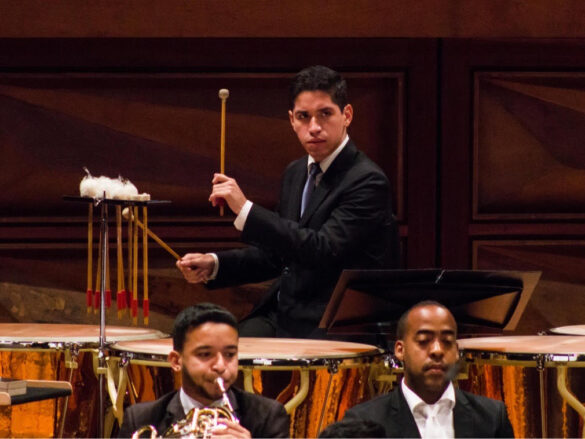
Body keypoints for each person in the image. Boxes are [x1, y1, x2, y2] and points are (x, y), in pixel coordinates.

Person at [177, 65, 399, 338]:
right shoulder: (295, 172)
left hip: (333, 323)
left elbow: (321, 249)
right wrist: (215, 264)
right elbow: (278, 255)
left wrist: (245, 209)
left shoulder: (367, 181)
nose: (314, 127)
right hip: (284, 313)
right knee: (220, 351)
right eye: (304, 117)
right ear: (292, 120)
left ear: (347, 115)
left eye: (325, 114)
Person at [341, 301, 515, 438]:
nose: (437, 350)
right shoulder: (363, 422)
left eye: (447, 342)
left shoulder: (492, 417)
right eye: (424, 340)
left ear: (456, 351)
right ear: (400, 350)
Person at [118, 303, 289, 438]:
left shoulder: (267, 416)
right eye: (205, 354)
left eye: (230, 354)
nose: (221, 366)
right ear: (176, 361)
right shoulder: (141, 418)